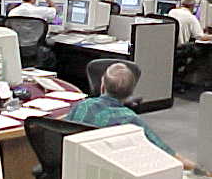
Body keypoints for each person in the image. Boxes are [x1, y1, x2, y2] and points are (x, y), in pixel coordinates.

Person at [67, 63, 198, 170]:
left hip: (74, 166)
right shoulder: (130, 120)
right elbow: (166, 154)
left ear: (102, 86)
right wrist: (204, 172)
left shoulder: (82, 105)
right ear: (131, 93)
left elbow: (61, 129)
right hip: (108, 173)